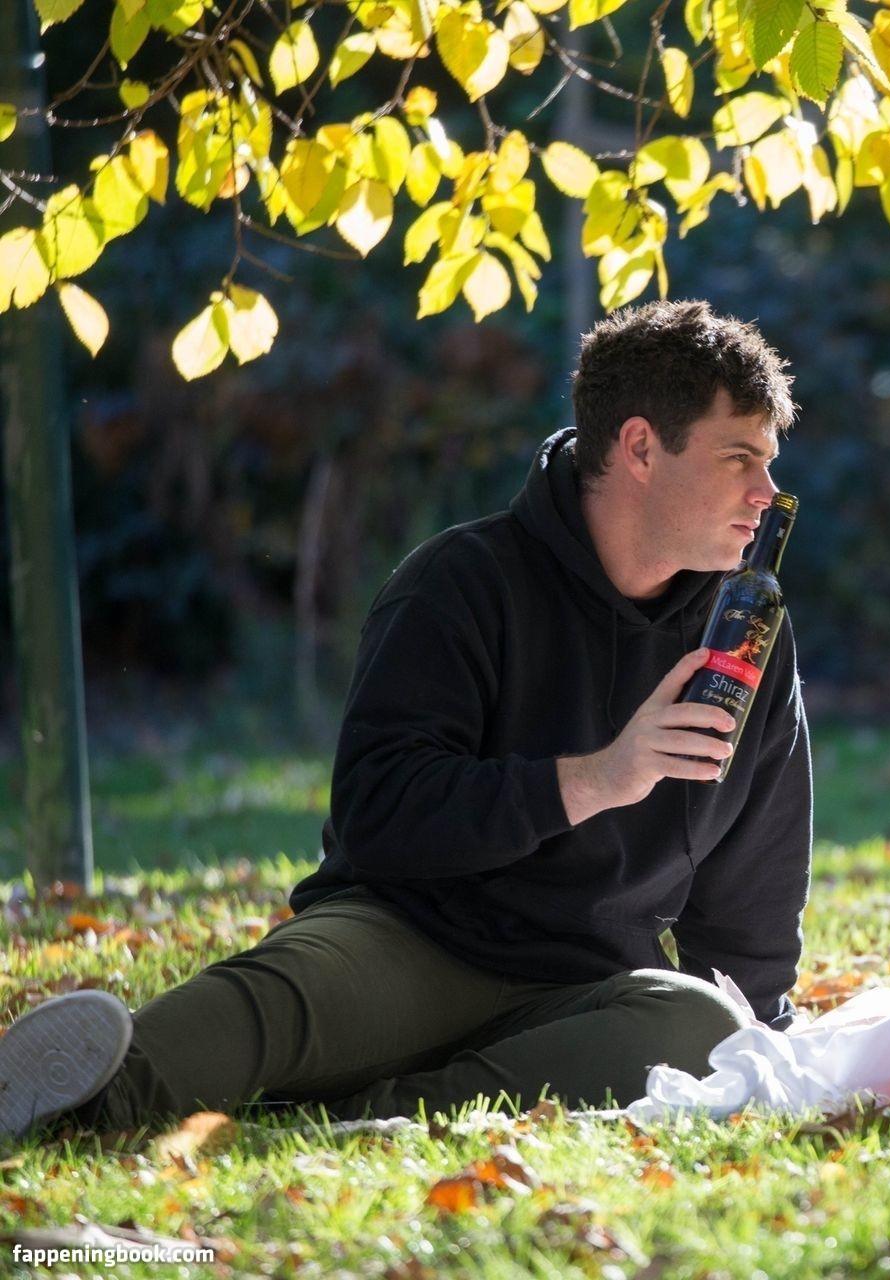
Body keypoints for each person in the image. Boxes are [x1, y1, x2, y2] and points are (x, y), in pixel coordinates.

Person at [0, 300, 813, 1140]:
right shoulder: (463, 580)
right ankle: (77, 1106)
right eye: (739, 458)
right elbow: (380, 813)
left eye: (768, 463)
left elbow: (755, 876)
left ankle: (348, 1118)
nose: (767, 493)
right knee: (268, 1005)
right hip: (410, 937)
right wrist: (596, 779)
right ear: (640, 447)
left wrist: (762, 1044)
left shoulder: (748, 637)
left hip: (580, 989)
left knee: (705, 1026)